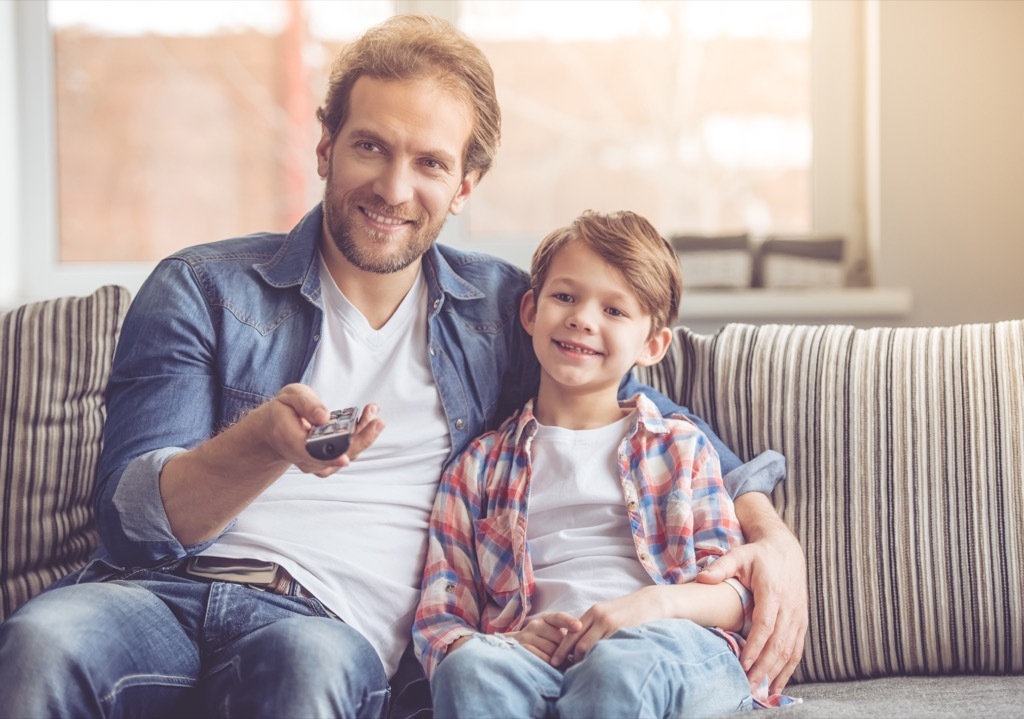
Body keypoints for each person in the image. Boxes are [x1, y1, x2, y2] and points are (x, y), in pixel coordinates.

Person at [0, 14, 804, 719]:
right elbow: (129, 520)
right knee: (40, 638)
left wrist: (770, 536)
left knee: (305, 669)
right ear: (325, 145)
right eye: (370, 147)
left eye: (428, 162)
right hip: (155, 598)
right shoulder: (204, 288)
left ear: (464, 185)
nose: (392, 187)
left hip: (322, 622)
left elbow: (632, 411)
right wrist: (262, 445)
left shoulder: (502, 310)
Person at [413, 211, 799, 717]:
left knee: (618, 669)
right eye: (566, 297)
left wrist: (655, 606)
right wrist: (511, 638)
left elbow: (734, 595)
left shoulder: (681, 448)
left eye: (615, 310)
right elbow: (441, 619)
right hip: (535, 659)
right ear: (531, 310)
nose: (583, 318)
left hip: (666, 642)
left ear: (652, 345)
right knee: (469, 670)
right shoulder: (477, 467)